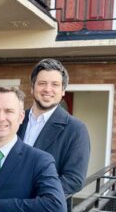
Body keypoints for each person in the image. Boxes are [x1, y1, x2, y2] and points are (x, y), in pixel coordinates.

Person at [17, 58, 91, 200]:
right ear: (32, 88)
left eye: (55, 84)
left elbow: (73, 180)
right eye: (42, 83)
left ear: (63, 91)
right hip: (4, 210)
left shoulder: (76, 129)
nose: (47, 89)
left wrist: (29, 196)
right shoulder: (16, 120)